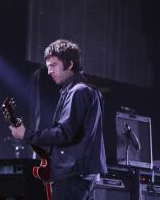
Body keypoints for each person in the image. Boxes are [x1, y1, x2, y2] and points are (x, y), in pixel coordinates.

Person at [9, 39, 107, 200]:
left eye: (53, 65)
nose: (49, 71)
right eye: (48, 66)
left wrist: (27, 134)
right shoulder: (88, 91)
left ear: (69, 64)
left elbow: (64, 134)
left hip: (72, 175)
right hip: (81, 173)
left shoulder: (78, 92)